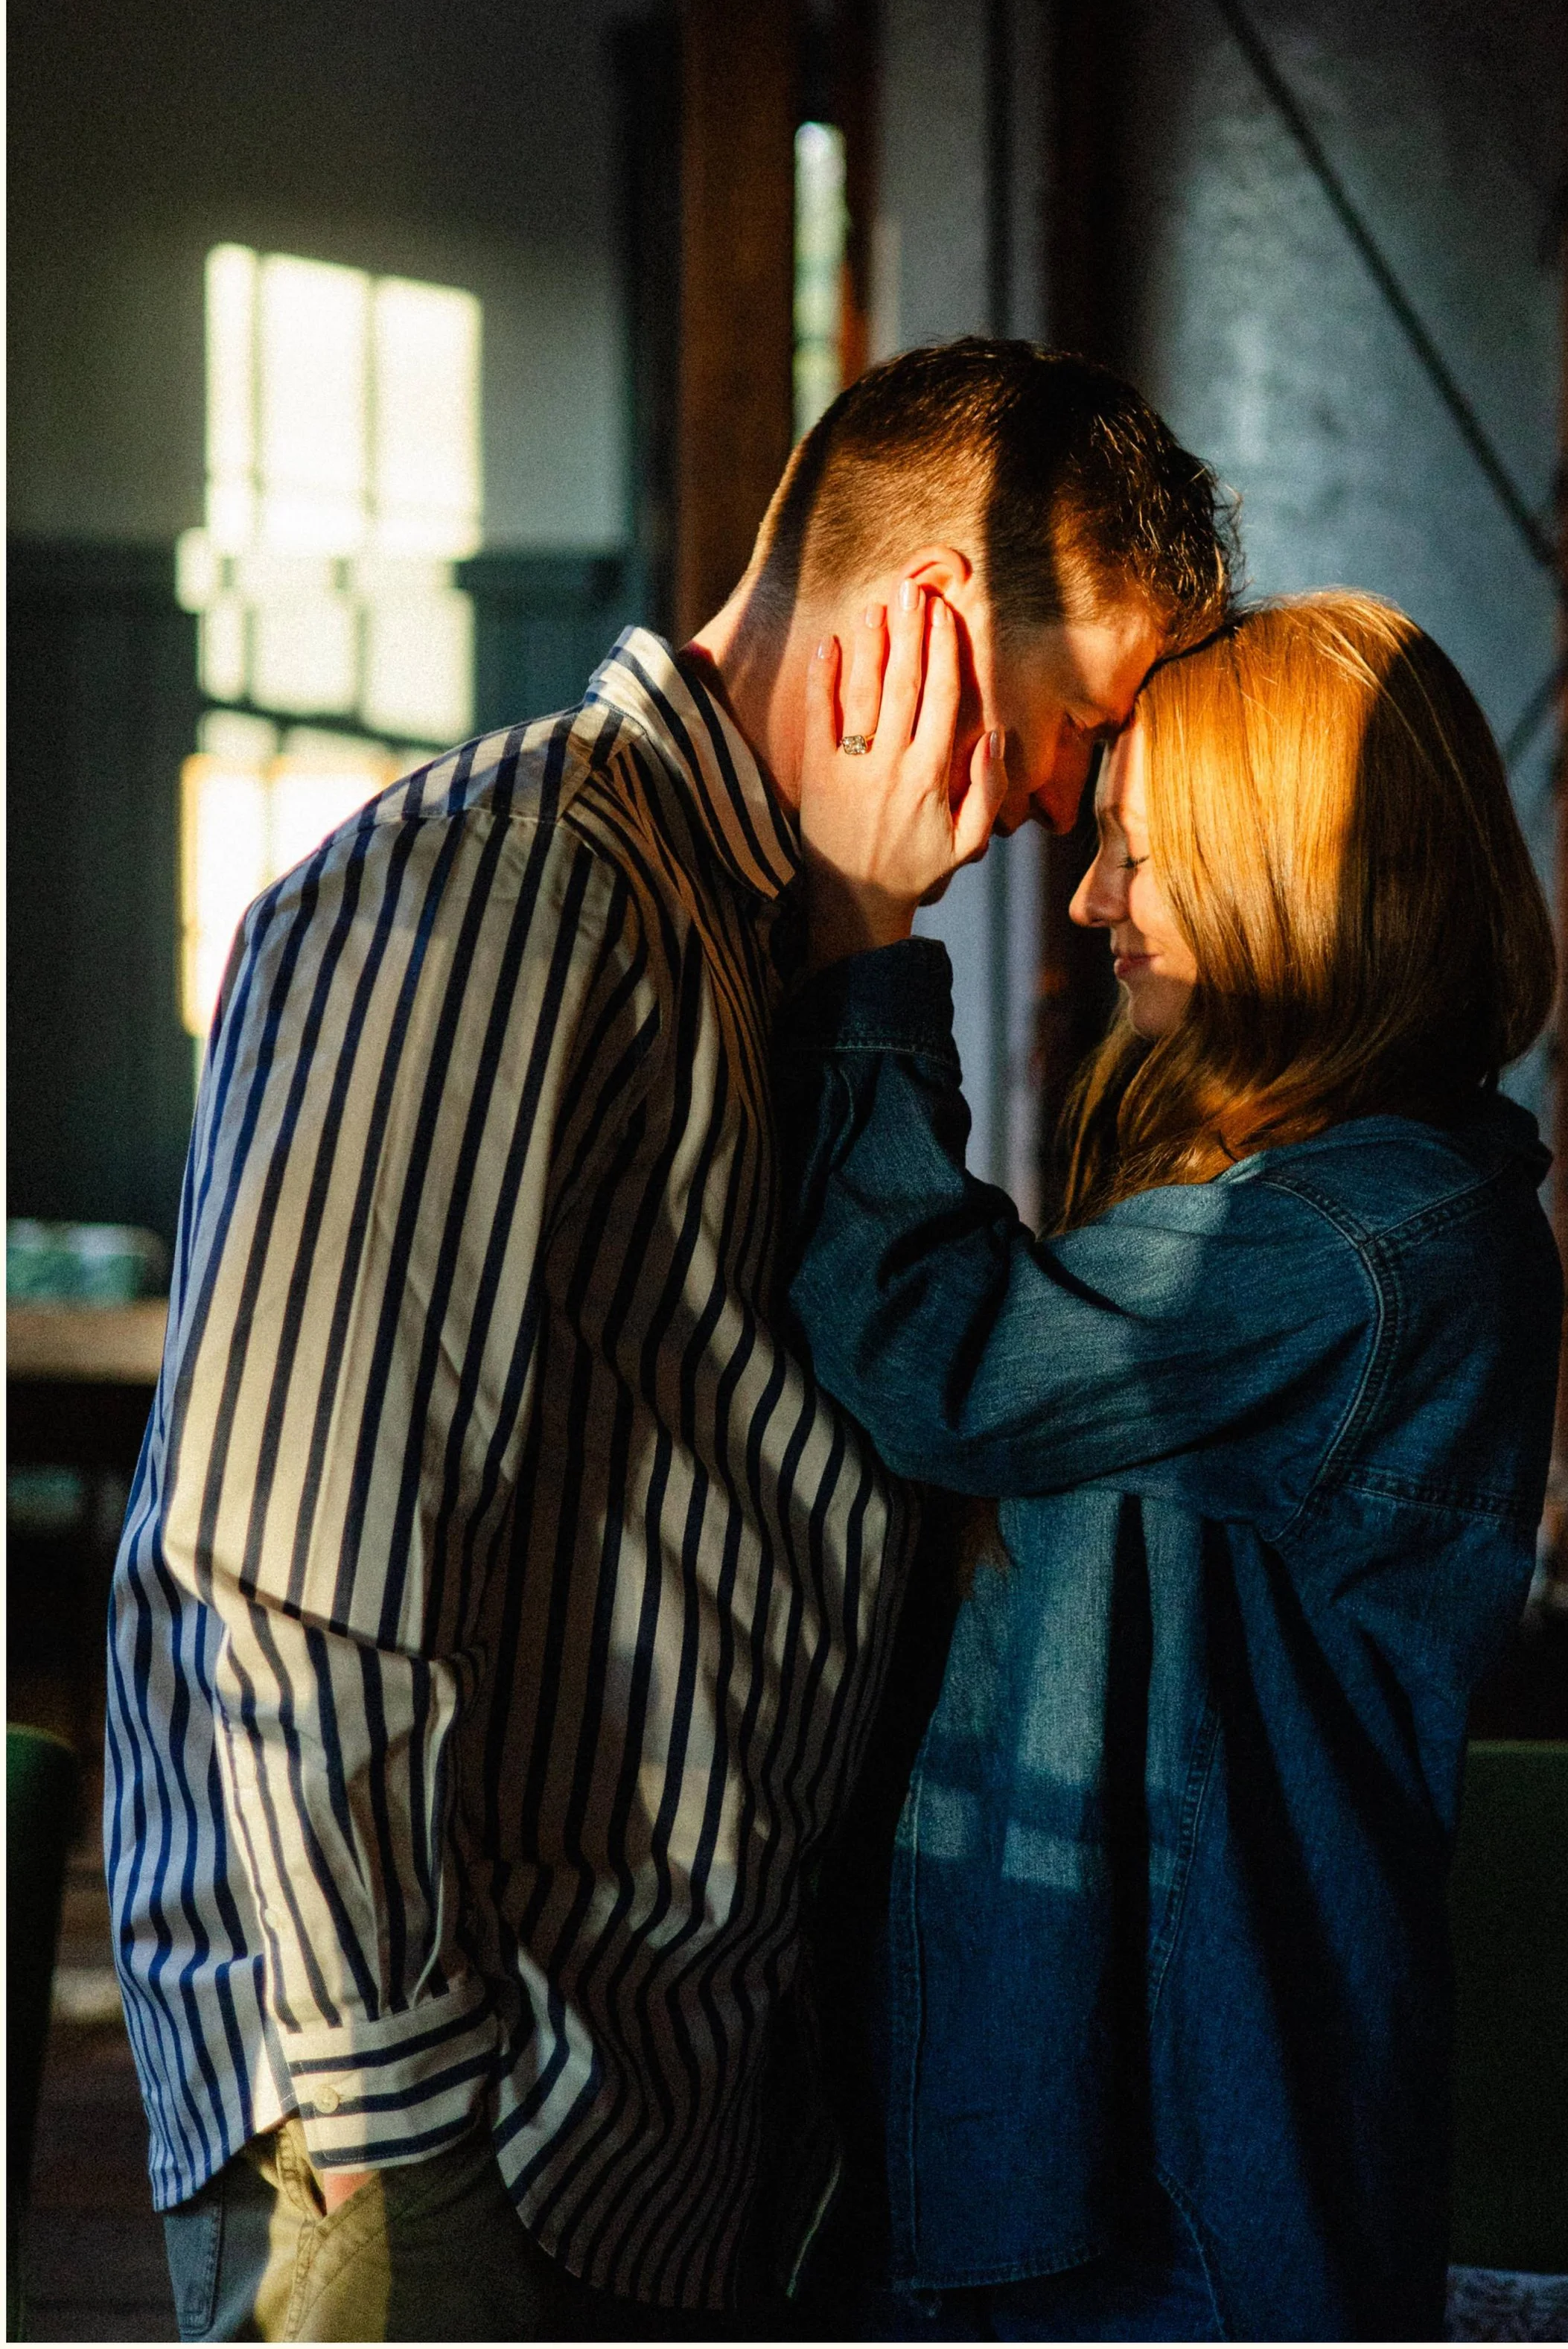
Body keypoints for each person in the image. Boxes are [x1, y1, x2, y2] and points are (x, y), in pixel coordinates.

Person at [104, 338, 1229, 2342]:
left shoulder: (789, 934)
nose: (1075, 810)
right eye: (1077, 725)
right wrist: (397, 2153)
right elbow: (291, 1553)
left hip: (649, 2127)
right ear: (933, 624)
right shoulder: (518, 885)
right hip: (452, 2123)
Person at [774, 586, 1563, 2342]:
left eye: (1135, 847)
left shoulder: (1356, 1245)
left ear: (1293, 863)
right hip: (1137, 2162)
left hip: (1180, 2187)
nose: (1086, 896)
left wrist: (864, 925)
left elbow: (948, 1356)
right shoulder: (1355, 1201)